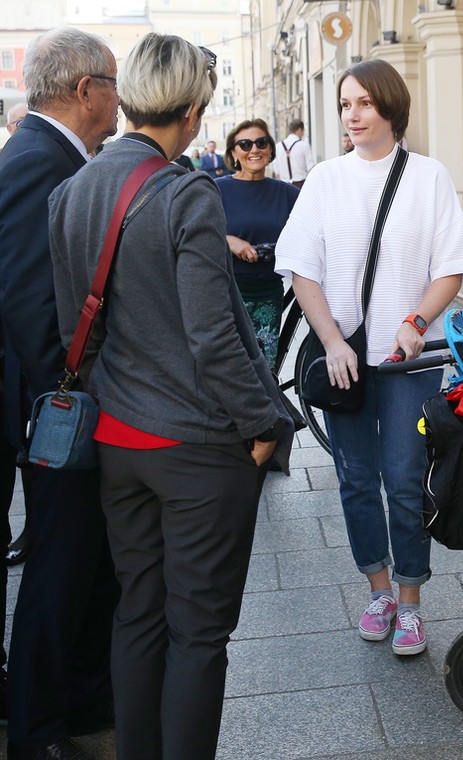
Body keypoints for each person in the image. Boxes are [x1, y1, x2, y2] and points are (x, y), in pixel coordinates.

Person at [48, 33, 295, 759]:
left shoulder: (73, 190)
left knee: (140, 616)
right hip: (196, 449)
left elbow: (74, 328)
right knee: (198, 635)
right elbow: (213, 336)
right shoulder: (185, 190)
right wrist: (261, 423)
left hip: (119, 442)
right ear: (191, 111)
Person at [275, 58, 463, 655]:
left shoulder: (428, 176)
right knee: (357, 479)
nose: (352, 115)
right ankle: (379, 590)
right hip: (349, 360)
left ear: (390, 106)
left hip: (409, 363)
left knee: (406, 479)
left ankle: (411, 601)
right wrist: (332, 341)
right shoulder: (326, 180)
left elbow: (452, 265)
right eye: (344, 104)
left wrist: (415, 322)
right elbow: (301, 266)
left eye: (363, 102)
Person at [0, 27, 121, 760]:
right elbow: (25, 297)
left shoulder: (51, 156)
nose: (119, 100)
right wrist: (67, 396)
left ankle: (78, 702)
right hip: (49, 408)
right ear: (85, 91)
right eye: (113, 84)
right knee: (61, 561)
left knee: (84, 558)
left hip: (52, 403)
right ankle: (39, 725)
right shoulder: (36, 161)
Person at [217, 118, 299, 369]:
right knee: (230, 371)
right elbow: (192, 232)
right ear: (234, 153)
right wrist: (228, 240)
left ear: (271, 149)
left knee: (264, 370)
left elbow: (313, 231)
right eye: (245, 144)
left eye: (261, 142)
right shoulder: (216, 189)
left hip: (269, 296)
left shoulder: (287, 194)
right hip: (227, 296)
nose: (254, 149)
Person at [273, 118, 315, 187]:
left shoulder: (278, 147)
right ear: (299, 130)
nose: (303, 133)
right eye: (303, 131)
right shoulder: (304, 145)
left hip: (284, 185)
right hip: (301, 185)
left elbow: (276, 170)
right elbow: (310, 167)